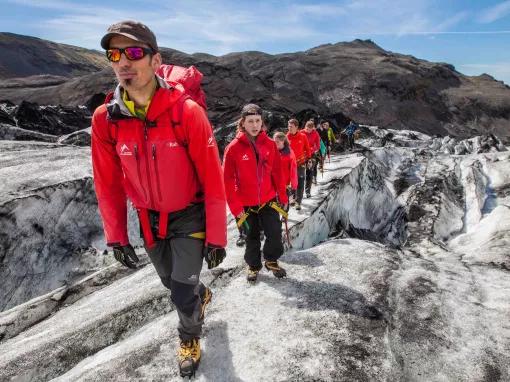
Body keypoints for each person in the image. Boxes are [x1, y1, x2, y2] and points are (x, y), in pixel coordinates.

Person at [91, 20, 227, 378]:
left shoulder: (186, 113)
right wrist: (116, 235)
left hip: (189, 216)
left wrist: (217, 236)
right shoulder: (107, 120)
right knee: (173, 282)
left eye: (134, 52)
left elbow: (213, 179)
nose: (123, 62)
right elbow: (107, 183)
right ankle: (201, 295)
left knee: (181, 293)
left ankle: (189, 338)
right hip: (149, 218)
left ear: (155, 60)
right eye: (115, 54)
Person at [223, 104, 288, 282]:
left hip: (268, 200)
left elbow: (277, 172)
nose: (254, 125)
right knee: (250, 237)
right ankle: (253, 265)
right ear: (242, 123)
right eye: (250, 121)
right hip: (245, 205)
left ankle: (271, 260)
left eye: (257, 121)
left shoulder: (269, 144)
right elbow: (227, 181)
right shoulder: (233, 148)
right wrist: (236, 208)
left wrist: (282, 196)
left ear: (262, 122)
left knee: (274, 233)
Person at [286, 118, 311, 210]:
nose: (289, 128)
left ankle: (298, 202)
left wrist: (309, 159)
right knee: (292, 183)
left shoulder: (303, 136)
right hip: (290, 165)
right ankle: (292, 197)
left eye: (291, 126)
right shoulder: (286, 137)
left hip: (301, 163)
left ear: (296, 127)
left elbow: (307, 149)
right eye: (288, 126)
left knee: (300, 182)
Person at [273, 132, 298, 208]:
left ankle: (284, 218)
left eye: (277, 142)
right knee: (276, 204)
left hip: (285, 183)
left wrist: (293, 185)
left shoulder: (289, 153)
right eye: (274, 141)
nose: (275, 143)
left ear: (283, 141)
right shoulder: (272, 151)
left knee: (284, 203)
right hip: (274, 183)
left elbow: (293, 170)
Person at [302, 120, 321, 197]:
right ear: (305, 127)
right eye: (307, 129)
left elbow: (318, 145)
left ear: (313, 128)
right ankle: (297, 193)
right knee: (300, 175)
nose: (309, 131)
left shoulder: (315, 133)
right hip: (301, 155)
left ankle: (308, 191)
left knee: (309, 172)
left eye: (310, 129)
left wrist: (311, 149)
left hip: (311, 155)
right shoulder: (301, 133)